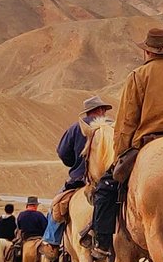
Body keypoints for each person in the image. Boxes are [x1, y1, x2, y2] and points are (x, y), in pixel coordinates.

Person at [91, 27, 163, 257]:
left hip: (150, 140)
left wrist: (119, 155)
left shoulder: (138, 76)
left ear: (147, 52)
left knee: (105, 188)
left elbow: (126, 120)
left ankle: (102, 243)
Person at [43, 95, 113, 249]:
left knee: (56, 205)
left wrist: (74, 162)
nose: (105, 114)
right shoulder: (111, 126)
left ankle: (52, 243)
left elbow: (62, 152)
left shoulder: (75, 128)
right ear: (100, 110)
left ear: (88, 112)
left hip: (80, 179)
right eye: (104, 110)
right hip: (112, 180)